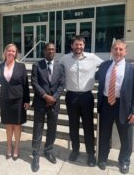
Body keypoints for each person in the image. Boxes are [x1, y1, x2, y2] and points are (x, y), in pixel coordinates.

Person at [60, 35, 103, 166]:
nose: (79, 47)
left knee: (88, 126)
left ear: (84, 45)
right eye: (76, 44)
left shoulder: (92, 57)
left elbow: (106, 66)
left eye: (81, 44)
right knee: (73, 126)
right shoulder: (65, 59)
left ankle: (91, 153)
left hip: (87, 97)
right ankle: (75, 150)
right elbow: (56, 70)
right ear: (71, 46)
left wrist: (96, 76)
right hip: (71, 96)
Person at [96, 40, 134, 174]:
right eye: (115, 49)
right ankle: (102, 158)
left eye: (120, 49)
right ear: (111, 51)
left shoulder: (131, 69)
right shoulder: (105, 65)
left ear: (125, 52)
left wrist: (133, 111)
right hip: (106, 104)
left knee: (126, 137)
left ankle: (124, 162)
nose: (118, 52)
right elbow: (96, 77)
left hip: (123, 106)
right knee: (104, 135)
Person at [0, 43, 30, 161]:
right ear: (5, 52)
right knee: (8, 125)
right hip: (5, 100)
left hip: (18, 100)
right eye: (9, 50)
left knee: (17, 125)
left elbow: (25, 85)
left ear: (16, 53)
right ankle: (9, 146)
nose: (11, 53)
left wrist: (27, 100)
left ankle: (16, 147)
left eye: (13, 51)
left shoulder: (21, 67)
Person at [31, 43, 65, 172]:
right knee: (38, 128)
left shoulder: (60, 66)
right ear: (44, 51)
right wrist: (45, 96)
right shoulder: (37, 65)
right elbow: (34, 82)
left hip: (54, 103)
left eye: (53, 49)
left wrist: (54, 98)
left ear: (55, 51)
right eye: (48, 49)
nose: (51, 51)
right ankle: (35, 154)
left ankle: (48, 150)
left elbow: (62, 84)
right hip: (40, 102)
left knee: (52, 128)